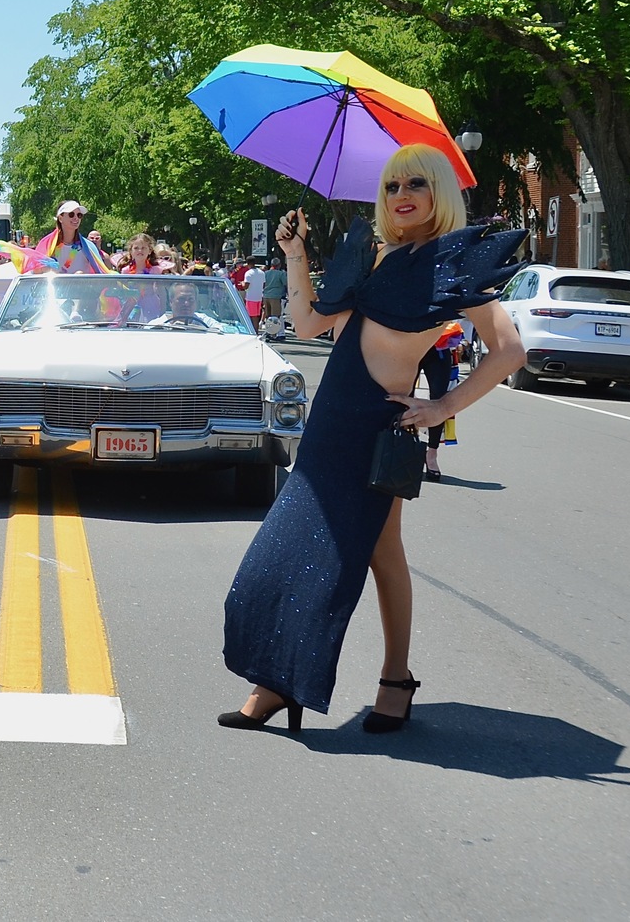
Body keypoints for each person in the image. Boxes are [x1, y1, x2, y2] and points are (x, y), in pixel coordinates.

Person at [219, 144, 527, 734]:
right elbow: (308, 325)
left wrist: (442, 405)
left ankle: (343, 680)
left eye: (416, 183)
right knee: (367, 555)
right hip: (327, 427)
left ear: (439, 190)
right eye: (391, 186)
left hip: (375, 433)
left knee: (326, 559)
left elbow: (510, 351)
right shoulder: (375, 257)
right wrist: (296, 254)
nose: (402, 195)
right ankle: (345, 680)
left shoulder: (455, 265)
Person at [418, 322, 463, 481]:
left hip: (440, 345)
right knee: (402, 395)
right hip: (409, 342)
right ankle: (403, 448)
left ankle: (432, 453)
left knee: (439, 401)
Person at [26, 200, 114, 274]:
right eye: (71, 214)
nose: (76, 218)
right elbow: (35, 273)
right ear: (60, 218)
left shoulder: (88, 247)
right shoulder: (47, 245)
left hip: (81, 294)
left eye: (79, 215)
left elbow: (99, 274)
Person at [145, 281, 224, 329]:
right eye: (181, 299)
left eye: (191, 299)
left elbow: (221, 331)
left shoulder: (205, 321)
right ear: (171, 302)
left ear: (196, 302)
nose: (186, 304)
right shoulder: (157, 325)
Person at [241, 257, 267, 329]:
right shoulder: (261, 273)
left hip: (251, 297)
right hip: (259, 297)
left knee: (251, 317)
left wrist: (242, 283)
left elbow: (246, 286)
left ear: (248, 263)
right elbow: (264, 285)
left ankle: (254, 332)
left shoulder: (248, 273)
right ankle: (256, 331)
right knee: (256, 316)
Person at [260, 257, 287, 323]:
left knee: (268, 316)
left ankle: (269, 331)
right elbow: (285, 284)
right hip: (276, 297)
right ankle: (273, 332)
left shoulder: (265, 273)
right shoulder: (281, 274)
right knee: (275, 316)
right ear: (279, 265)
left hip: (266, 296)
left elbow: (262, 284)